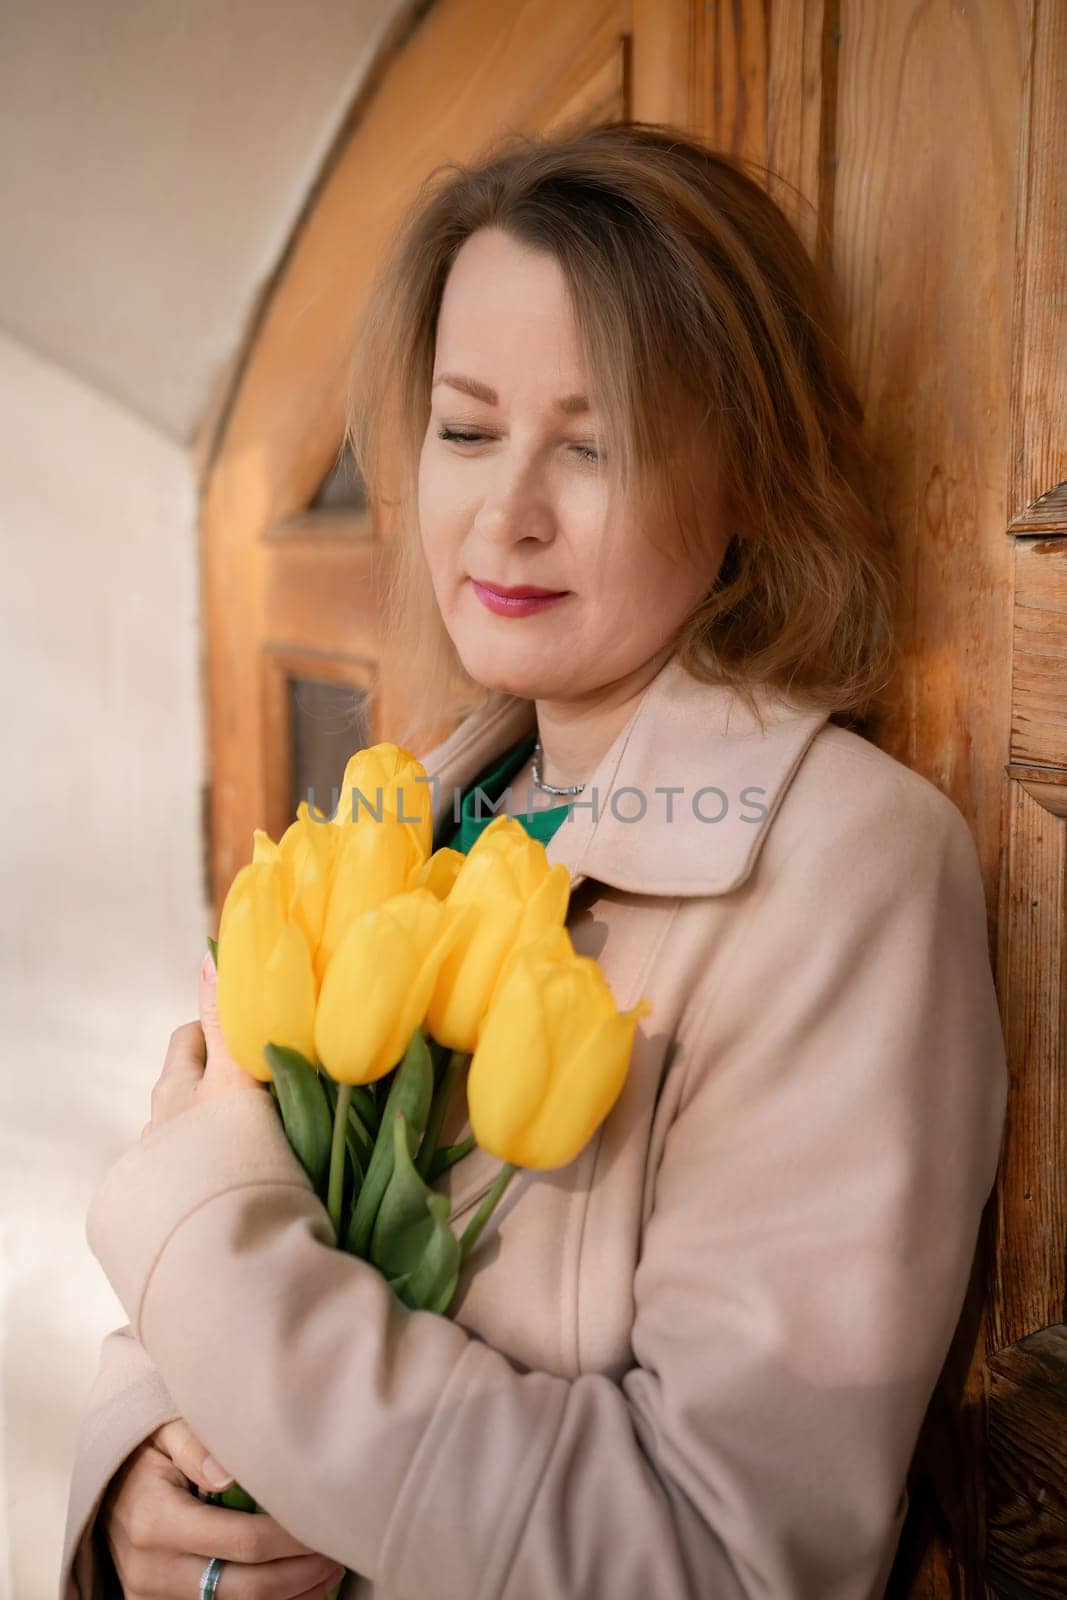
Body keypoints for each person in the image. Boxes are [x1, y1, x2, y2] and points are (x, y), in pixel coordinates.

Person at [60, 120, 1009, 1600]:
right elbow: (243, 1274)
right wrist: (135, 1481)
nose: (505, 515)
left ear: (748, 476)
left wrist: (198, 1230)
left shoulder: (845, 872)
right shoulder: (410, 810)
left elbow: (718, 1553)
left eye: (595, 442)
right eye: (465, 427)